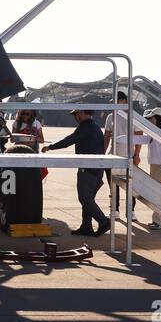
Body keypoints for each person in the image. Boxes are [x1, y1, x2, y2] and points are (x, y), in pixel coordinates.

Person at [44, 107, 109, 237]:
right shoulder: (95, 127)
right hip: (97, 169)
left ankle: (104, 221)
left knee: (85, 199)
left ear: (84, 113)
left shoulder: (86, 127)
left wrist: (51, 147)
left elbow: (69, 140)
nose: (75, 117)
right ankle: (86, 226)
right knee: (88, 199)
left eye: (77, 114)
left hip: (88, 169)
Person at [102, 91, 131, 189]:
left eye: (115, 101)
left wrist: (137, 155)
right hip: (114, 152)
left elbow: (138, 135)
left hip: (129, 154)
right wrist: (102, 153)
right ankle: (114, 198)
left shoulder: (132, 116)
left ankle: (131, 200)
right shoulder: (111, 117)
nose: (113, 104)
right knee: (110, 174)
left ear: (123, 101)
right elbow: (106, 137)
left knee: (129, 183)